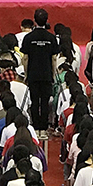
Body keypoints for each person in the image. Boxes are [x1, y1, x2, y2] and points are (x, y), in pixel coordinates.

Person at [21, 8, 59, 139]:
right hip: (46, 74)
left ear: (34, 20)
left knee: (34, 101)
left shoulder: (28, 38)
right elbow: (54, 59)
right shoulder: (51, 38)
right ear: (47, 20)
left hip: (33, 74)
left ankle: (36, 128)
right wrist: (52, 74)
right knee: (44, 102)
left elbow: (25, 58)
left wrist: (26, 74)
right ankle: (43, 129)